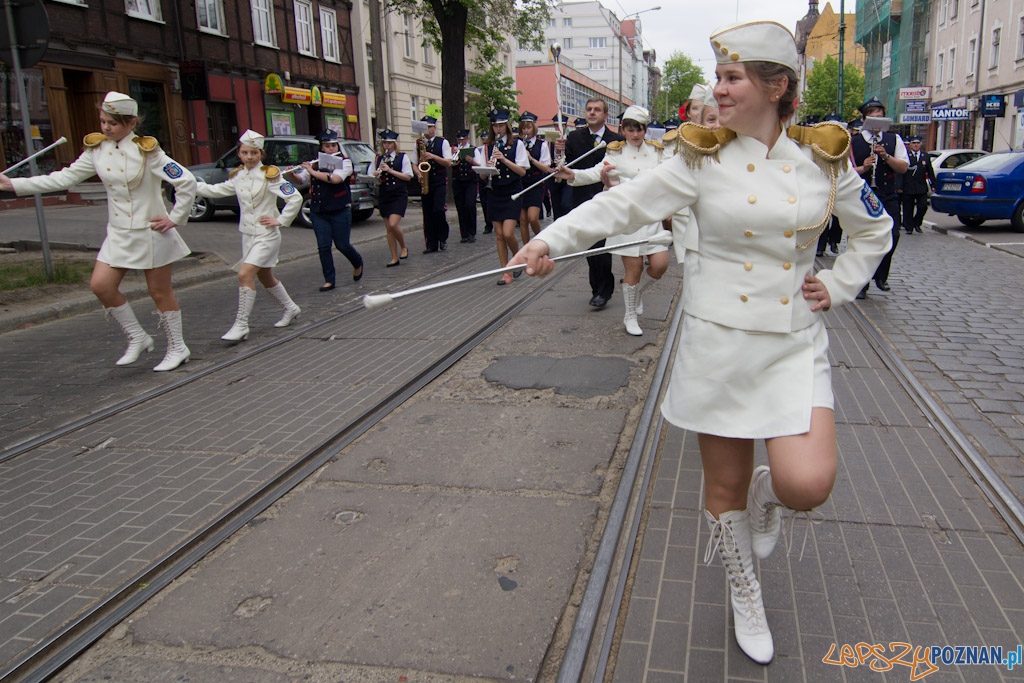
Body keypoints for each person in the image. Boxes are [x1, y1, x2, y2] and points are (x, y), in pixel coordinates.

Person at [507, 20, 893, 664]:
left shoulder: (824, 158)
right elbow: (622, 206)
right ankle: (746, 594)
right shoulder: (700, 156)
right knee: (723, 487)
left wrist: (842, 282)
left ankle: (770, 499)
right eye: (718, 78)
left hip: (793, 341)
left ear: (777, 87)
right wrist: (551, 241)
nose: (718, 91)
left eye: (732, 78)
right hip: (718, 342)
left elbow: (872, 232)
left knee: (808, 484)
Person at [0, 91, 197, 371]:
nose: (105, 128)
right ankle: (137, 336)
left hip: (149, 232)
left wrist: (175, 217)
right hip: (117, 232)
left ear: (130, 123)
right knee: (101, 286)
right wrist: (13, 185)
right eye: (103, 121)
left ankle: (178, 348)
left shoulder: (148, 151)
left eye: (112, 123)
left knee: (159, 292)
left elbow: (186, 182)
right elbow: (65, 177)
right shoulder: (96, 149)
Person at [556, 105, 668, 336]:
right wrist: (573, 175)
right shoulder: (615, 152)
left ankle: (637, 293)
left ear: (645, 130)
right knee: (634, 268)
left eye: (639, 130)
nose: (635, 135)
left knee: (659, 266)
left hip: (651, 218)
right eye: (630, 130)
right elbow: (597, 172)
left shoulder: (658, 152)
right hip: (626, 218)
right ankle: (630, 315)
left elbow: (668, 178)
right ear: (623, 129)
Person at [195, 130, 303, 341]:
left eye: (254, 152)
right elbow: (215, 190)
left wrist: (280, 220)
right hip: (248, 235)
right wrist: (188, 184)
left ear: (261, 153)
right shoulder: (238, 176)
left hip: (267, 235)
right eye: (245, 152)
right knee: (265, 276)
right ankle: (291, 308)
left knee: (245, 275)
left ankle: (241, 324)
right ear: (239, 154)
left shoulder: (271, 175)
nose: (250, 157)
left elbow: (295, 198)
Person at [559, 97, 625, 308]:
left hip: (607, 198)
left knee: (602, 246)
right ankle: (598, 288)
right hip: (582, 199)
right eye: (589, 109)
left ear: (606, 115)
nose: (592, 113)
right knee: (590, 247)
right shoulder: (574, 137)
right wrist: (559, 152)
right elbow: (567, 167)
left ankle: (603, 291)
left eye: (597, 110)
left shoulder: (616, 139)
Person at [851, 97, 908, 298]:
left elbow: (903, 167)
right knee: (863, 239)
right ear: (865, 119)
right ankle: (862, 283)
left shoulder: (893, 140)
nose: (877, 120)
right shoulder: (854, 141)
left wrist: (885, 156)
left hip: (887, 194)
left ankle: (881, 275)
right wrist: (864, 167)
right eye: (872, 117)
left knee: (893, 235)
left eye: (880, 116)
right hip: (862, 195)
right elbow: (845, 172)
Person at [299, 129, 363, 292]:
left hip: (339, 209)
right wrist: (296, 172)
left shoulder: (345, 162)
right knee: (323, 246)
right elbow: (301, 179)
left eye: (334, 145)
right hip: (319, 211)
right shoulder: (315, 163)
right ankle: (329, 280)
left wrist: (313, 172)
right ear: (322, 148)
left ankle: (357, 262)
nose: (331, 149)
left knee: (342, 244)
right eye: (327, 146)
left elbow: (336, 179)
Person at [475, 109, 528, 283]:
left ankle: (517, 258)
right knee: (498, 234)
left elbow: (521, 171)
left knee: (507, 233)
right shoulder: (486, 147)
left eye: (501, 125)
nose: (498, 129)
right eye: (495, 126)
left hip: (512, 192)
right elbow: (482, 176)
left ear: (506, 126)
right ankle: (506, 271)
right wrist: (489, 167)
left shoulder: (517, 144)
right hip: (495, 192)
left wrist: (504, 160)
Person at [373, 129, 412, 266]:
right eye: (384, 143)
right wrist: (376, 174)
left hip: (398, 194)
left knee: (393, 224)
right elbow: (375, 179)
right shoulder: (379, 158)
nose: (386, 146)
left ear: (394, 144)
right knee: (388, 228)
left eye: (389, 143)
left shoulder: (402, 157)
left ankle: (403, 246)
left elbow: (407, 176)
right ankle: (394, 257)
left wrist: (390, 170)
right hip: (385, 194)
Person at [415, 115, 452, 253]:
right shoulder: (418, 143)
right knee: (428, 213)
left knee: (438, 210)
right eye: (426, 127)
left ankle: (442, 237)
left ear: (435, 128)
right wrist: (418, 174)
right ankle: (431, 243)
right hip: (425, 180)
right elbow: (414, 163)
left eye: (430, 127)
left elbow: (448, 162)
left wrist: (433, 157)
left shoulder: (442, 142)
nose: (428, 130)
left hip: (439, 181)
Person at [516, 112, 552, 244]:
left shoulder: (541, 144)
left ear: (534, 128)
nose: (526, 131)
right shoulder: (517, 143)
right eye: (524, 128)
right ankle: (527, 248)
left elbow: (546, 168)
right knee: (523, 220)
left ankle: (541, 241)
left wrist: (530, 159)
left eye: (529, 127)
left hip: (535, 184)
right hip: (520, 184)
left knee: (532, 218)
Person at [450, 129, 479, 244]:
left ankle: (472, 232)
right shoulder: (453, 149)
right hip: (458, 181)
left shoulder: (473, 150)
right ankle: (464, 233)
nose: (461, 141)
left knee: (470, 205)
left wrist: (471, 160)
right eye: (459, 139)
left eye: (463, 139)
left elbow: (479, 164)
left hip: (470, 181)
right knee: (460, 207)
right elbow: (450, 163)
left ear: (467, 138)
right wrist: (453, 156)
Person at [902, 134, 935, 235]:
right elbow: (900, 172)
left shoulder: (925, 156)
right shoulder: (905, 155)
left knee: (923, 206)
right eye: (914, 143)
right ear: (910, 145)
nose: (916, 145)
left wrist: (934, 184)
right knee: (908, 208)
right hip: (908, 185)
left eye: (918, 143)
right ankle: (908, 227)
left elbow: (930, 171)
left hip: (921, 186)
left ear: (921, 144)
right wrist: (898, 186)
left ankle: (917, 223)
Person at [477, 130, 493, 233]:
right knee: (484, 202)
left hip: (493, 177)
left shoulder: (492, 148)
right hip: (483, 177)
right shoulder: (481, 149)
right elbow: (480, 165)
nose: (484, 140)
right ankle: (488, 224)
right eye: (483, 138)